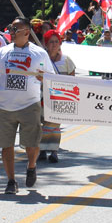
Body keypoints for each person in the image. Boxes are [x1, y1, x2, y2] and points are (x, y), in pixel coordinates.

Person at [0, 16, 55, 194]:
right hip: (6, 107)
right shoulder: (3, 52)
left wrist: (42, 77)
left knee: (32, 144)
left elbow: (51, 79)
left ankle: (31, 166)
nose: (11, 33)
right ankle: (11, 181)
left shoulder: (39, 53)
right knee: (6, 145)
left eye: (15, 30)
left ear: (27, 33)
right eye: (11, 29)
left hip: (30, 105)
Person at [38, 30, 76, 163]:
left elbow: (72, 79)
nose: (54, 45)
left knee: (54, 125)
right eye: (51, 42)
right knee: (42, 123)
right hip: (43, 96)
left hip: (59, 97)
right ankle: (42, 150)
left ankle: (54, 151)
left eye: (56, 42)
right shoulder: (41, 59)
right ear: (46, 44)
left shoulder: (66, 60)